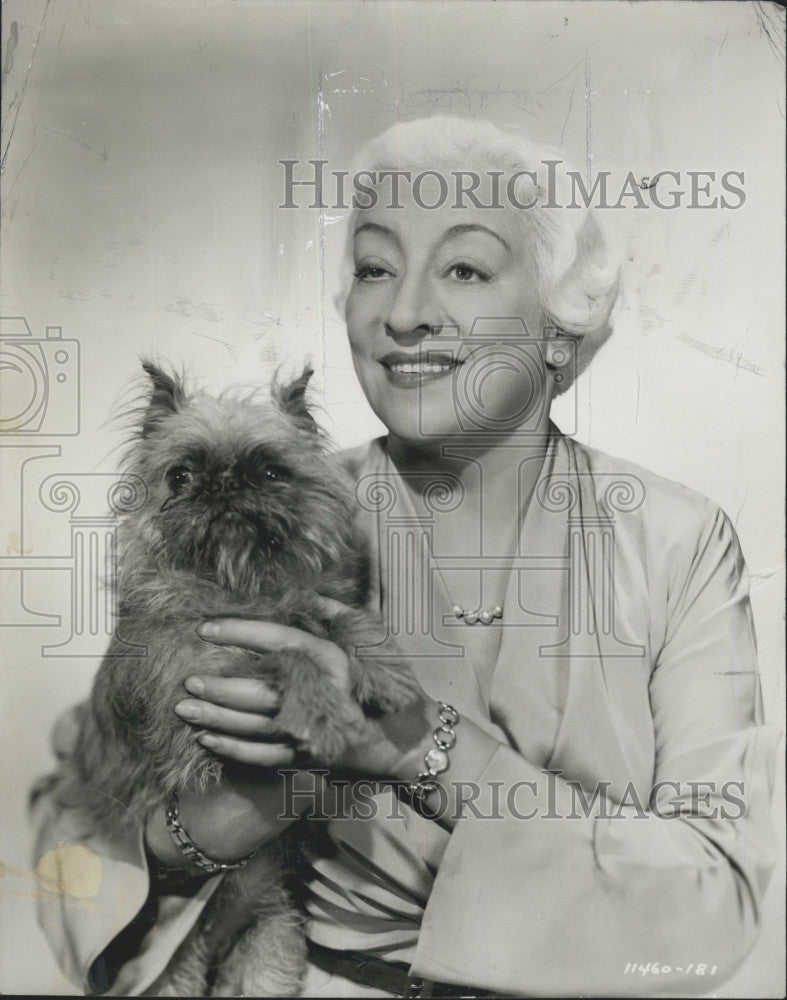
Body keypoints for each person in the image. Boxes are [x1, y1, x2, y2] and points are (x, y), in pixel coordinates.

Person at [31, 116, 778, 998]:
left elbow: (714, 901)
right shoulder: (258, 517)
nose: (404, 312)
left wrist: (414, 750)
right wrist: (192, 837)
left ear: (559, 325)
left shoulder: (676, 539)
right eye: (375, 268)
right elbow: (74, 806)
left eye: (464, 268)